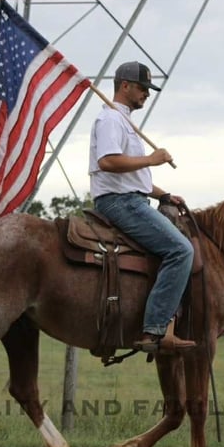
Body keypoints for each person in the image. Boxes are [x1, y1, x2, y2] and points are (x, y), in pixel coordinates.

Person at [89, 61, 196, 353]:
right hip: (119, 202)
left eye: (147, 89)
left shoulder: (124, 122)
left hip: (130, 196)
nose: (146, 94)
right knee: (181, 250)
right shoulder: (111, 120)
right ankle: (156, 330)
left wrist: (163, 195)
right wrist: (152, 159)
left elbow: (133, 177)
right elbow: (108, 162)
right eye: (142, 88)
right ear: (124, 86)